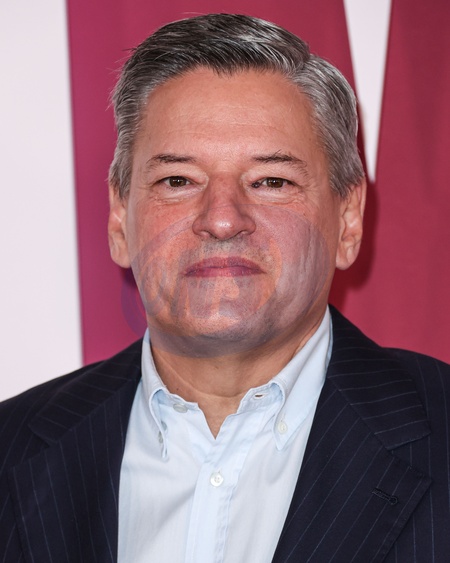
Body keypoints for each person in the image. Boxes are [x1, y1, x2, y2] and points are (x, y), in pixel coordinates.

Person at [1, 13, 449, 563]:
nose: (221, 219)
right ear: (119, 219)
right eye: (178, 180)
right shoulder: (10, 449)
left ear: (349, 220)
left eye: (271, 181)